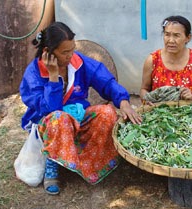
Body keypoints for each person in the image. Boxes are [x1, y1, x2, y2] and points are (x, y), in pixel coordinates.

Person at [19, 22, 142, 195]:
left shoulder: (78, 62)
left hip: (78, 118)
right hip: (48, 124)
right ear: (48, 52)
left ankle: (87, 162)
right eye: (65, 52)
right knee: (58, 118)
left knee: (107, 113)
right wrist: (53, 77)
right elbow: (50, 110)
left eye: (72, 49)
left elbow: (105, 81)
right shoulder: (33, 74)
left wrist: (123, 102)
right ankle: (53, 164)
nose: (71, 55)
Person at [140, 15, 192, 104]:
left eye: (176, 35)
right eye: (167, 34)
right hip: (161, 112)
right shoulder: (152, 60)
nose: (171, 40)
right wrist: (147, 100)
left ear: (188, 37)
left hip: (191, 109)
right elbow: (144, 89)